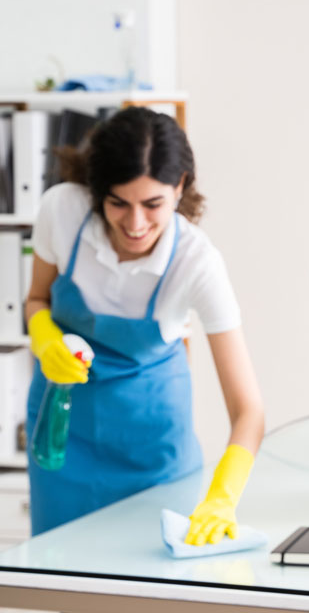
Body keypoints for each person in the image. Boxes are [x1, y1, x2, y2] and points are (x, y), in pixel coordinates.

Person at [25, 106, 264, 545]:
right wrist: (45, 341)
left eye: (152, 204)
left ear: (179, 188)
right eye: (118, 202)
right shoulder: (62, 210)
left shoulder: (196, 262)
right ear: (98, 192)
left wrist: (222, 496)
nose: (135, 224)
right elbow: (36, 298)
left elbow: (248, 410)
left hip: (150, 447)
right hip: (63, 432)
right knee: (62, 581)